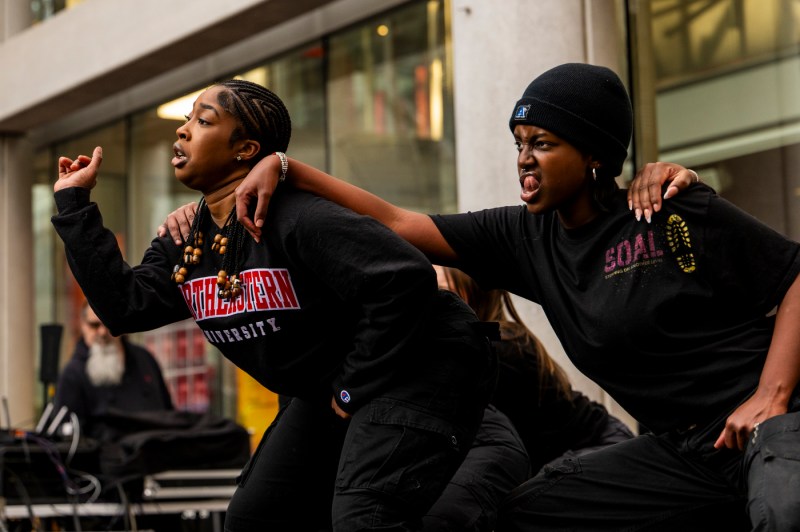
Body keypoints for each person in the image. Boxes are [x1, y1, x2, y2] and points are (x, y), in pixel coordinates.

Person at [222, 63, 800, 530]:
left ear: (595, 154)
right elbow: (397, 223)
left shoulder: (668, 210)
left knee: (781, 514)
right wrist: (283, 166)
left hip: (777, 424)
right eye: (519, 142)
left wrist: (770, 397)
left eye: (543, 142)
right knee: (529, 511)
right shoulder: (525, 237)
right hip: (686, 451)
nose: (524, 158)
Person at [51, 79, 495, 531]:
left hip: (423, 362)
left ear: (245, 150)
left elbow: (405, 278)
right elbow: (125, 306)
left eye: (202, 121)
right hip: (334, 385)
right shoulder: (190, 243)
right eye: (187, 119)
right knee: (257, 517)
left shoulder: (297, 216)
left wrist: (351, 386)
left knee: (366, 517)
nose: (183, 130)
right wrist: (73, 205)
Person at [54, 301, 173, 439]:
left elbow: (167, 413)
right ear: (83, 325)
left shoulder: (144, 359)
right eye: (94, 325)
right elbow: (68, 437)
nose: (103, 332)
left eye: (108, 323)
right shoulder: (73, 374)